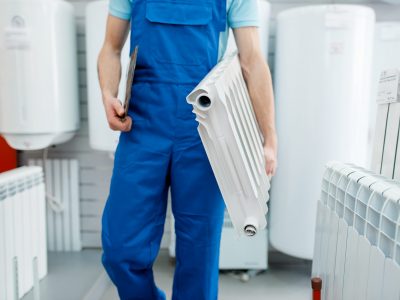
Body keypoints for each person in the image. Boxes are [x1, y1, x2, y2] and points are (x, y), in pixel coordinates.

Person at [97, 0, 277, 299]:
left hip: (204, 132)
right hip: (141, 127)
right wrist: (107, 94)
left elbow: (252, 59)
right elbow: (111, 48)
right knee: (120, 249)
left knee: (199, 257)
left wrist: (269, 137)